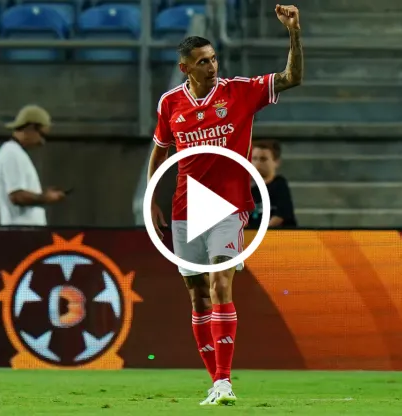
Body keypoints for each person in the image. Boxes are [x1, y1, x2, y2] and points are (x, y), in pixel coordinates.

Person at [146, 4, 303, 406]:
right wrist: (152, 198)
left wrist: (294, 35)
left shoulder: (240, 91)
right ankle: (214, 380)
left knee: (219, 283)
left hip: (229, 205)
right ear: (186, 68)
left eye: (214, 58)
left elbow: (291, 78)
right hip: (184, 207)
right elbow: (161, 151)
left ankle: (224, 380)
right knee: (196, 294)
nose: (212, 66)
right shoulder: (170, 104)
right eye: (202, 62)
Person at [0, 105, 66, 226]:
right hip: (21, 234)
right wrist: (45, 198)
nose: (42, 142)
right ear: (31, 127)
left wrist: (42, 195)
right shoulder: (12, 153)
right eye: (42, 135)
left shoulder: (14, 152)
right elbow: (17, 196)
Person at [249, 140, 297, 229]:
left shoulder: (279, 184)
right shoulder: (250, 191)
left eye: (263, 159)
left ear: (276, 162)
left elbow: (280, 215)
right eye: (254, 159)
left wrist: (261, 234)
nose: (257, 163)